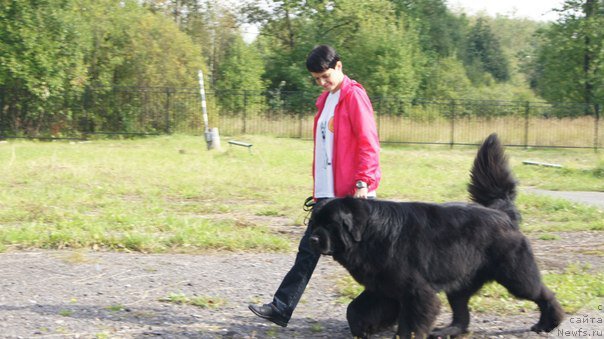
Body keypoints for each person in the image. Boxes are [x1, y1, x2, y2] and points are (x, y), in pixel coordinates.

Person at [248, 44, 381, 327]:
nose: (321, 82)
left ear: (339, 67)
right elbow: (326, 150)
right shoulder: (326, 101)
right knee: (309, 251)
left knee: (366, 257)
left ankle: (393, 303)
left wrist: (362, 182)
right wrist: (319, 191)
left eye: (325, 76)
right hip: (327, 194)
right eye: (316, 79)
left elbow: (368, 142)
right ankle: (281, 307)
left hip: (352, 194)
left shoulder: (354, 96)